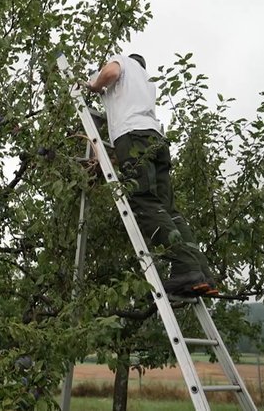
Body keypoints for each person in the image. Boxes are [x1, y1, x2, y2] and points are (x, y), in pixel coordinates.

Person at [84, 53, 218, 296]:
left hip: (133, 136)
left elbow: (111, 73)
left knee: (143, 201)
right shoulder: (146, 81)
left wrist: (94, 84)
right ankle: (202, 273)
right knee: (168, 209)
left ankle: (186, 267)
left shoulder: (121, 60)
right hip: (155, 139)